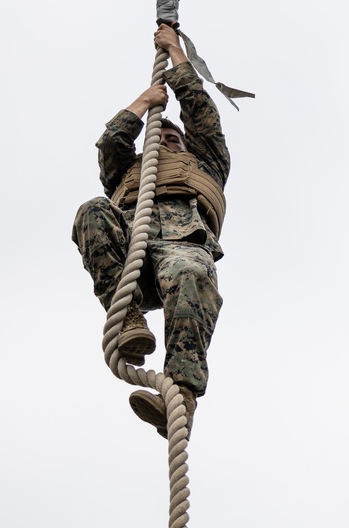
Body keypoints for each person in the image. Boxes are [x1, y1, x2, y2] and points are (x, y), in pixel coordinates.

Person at [72, 23, 230, 439]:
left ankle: (179, 399)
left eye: (174, 136)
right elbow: (110, 143)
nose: (167, 138)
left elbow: (200, 112)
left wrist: (175, 53)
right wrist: (145, 103)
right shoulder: (127, 172)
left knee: (190, 273)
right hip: (132, 253)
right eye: (159, 136)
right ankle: (127, 319)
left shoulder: (207, 162)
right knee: (91, 211)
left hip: (181, 246)